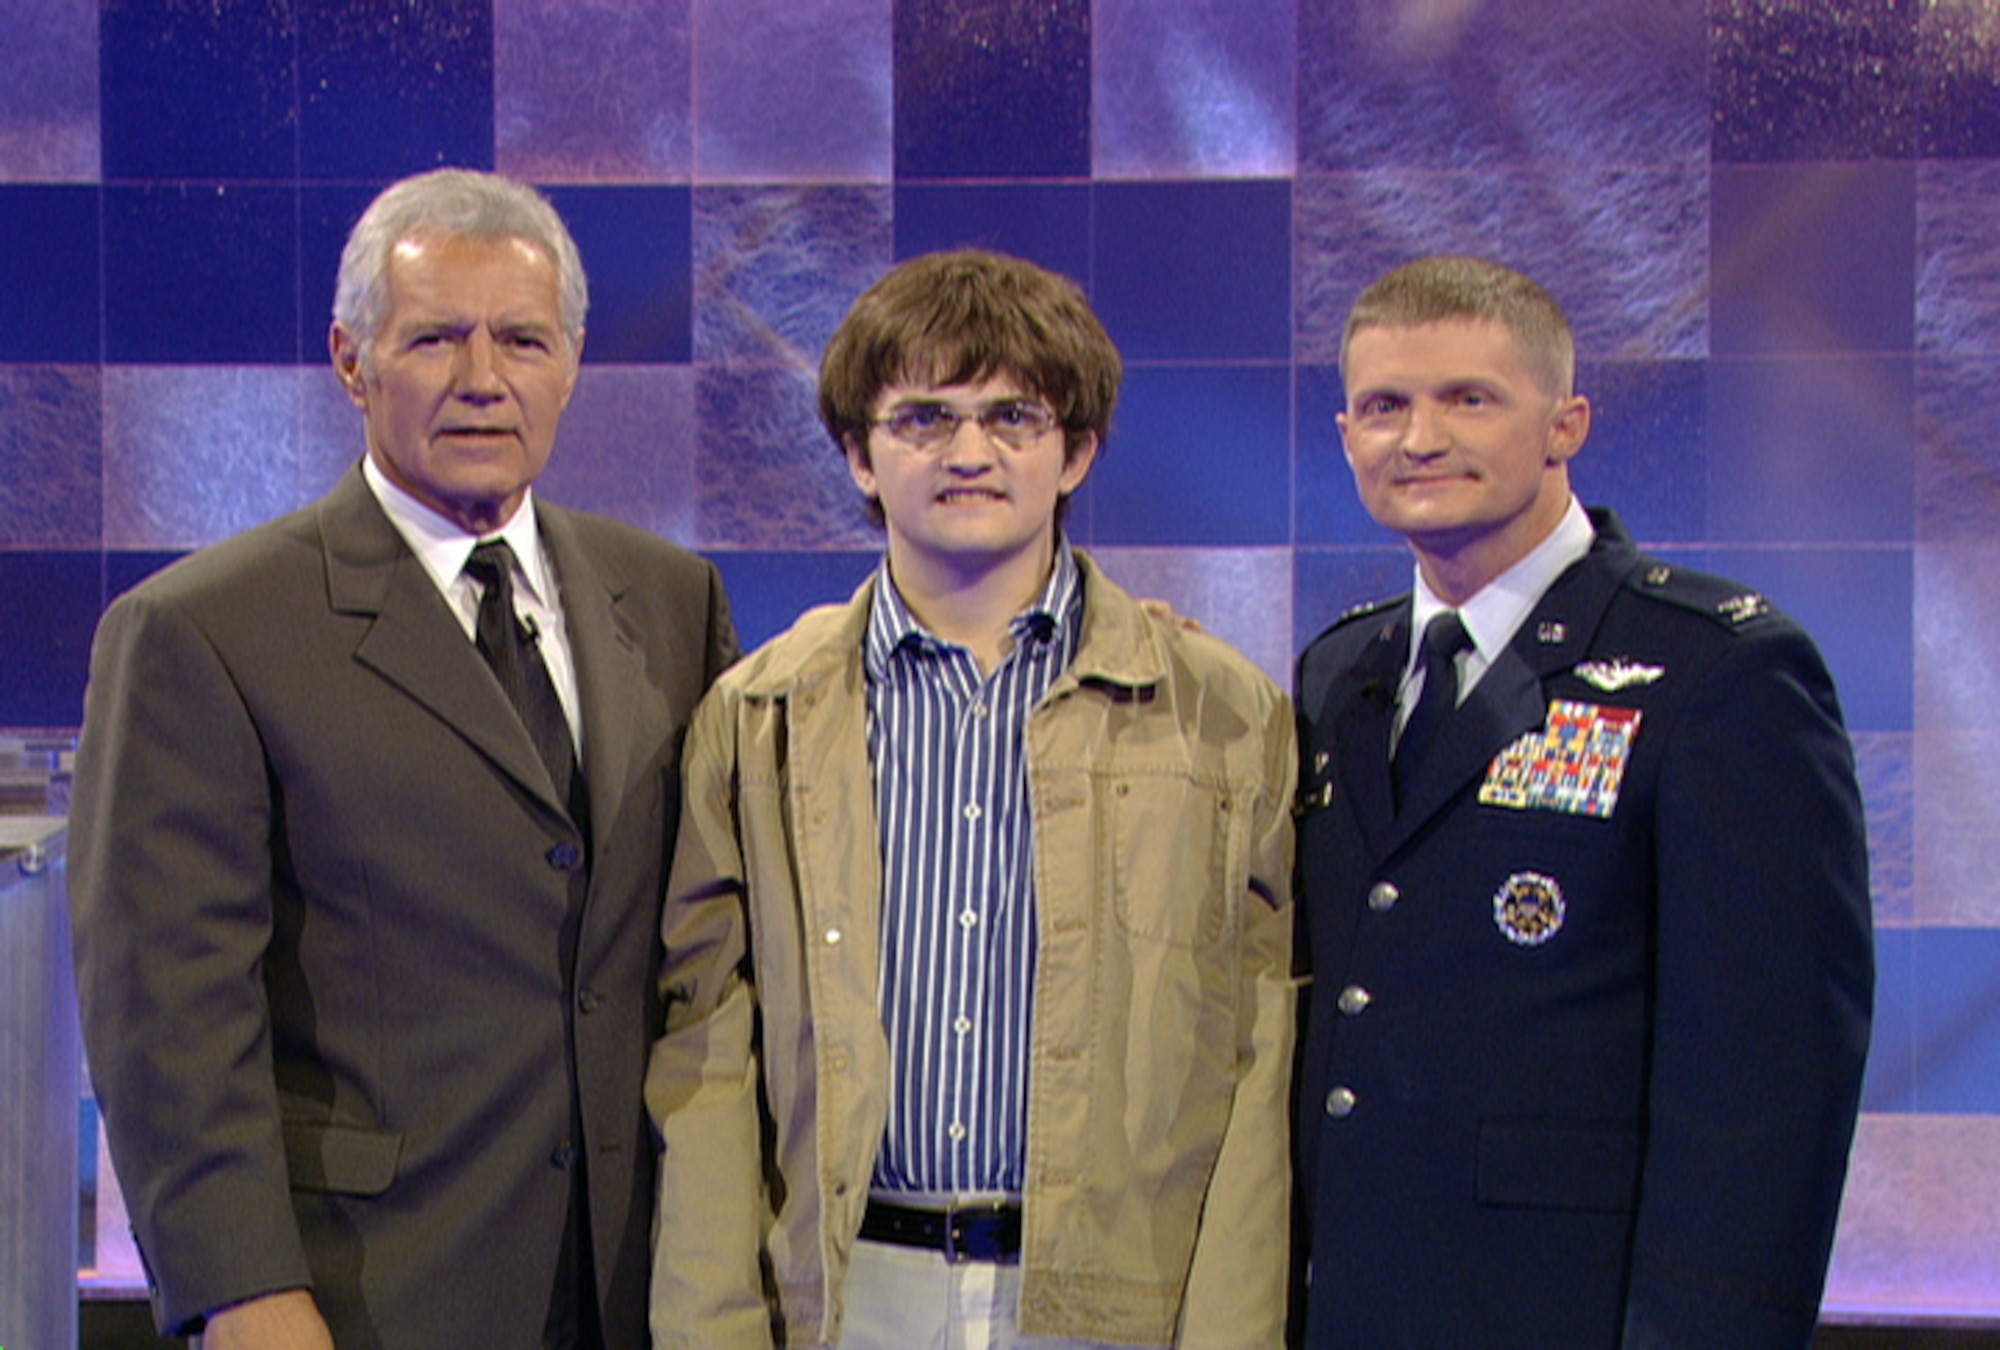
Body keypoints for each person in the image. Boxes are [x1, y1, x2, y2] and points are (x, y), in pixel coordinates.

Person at [68, 168, 738, 1350]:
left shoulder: (671, 600)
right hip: (365, 1295)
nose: (484, 379)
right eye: (435, 337)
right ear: (350, 360)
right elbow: (166, 1017)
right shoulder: (204, 630)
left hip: (642, 1290)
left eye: (522, 339)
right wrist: (242, 1291)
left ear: (572, 361)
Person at [644, 249, 1297, 1348]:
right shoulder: (760, 714)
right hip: (852, 1297)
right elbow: (706, 1051)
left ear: (1075, 449)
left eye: (1012, 417)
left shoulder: (1223, 716)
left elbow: (1257, 1055)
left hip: (1112, 1306)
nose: (968, 454)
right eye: (921, 419)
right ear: (857, 453)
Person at [1292, 254, 1874, 1347]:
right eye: (1383, 405)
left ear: (1565, 424)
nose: (1418, 437)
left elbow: (1768, 1090)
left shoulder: (1717, 670)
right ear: (1343, 436)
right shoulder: (1340, 675)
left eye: (1468, 398)